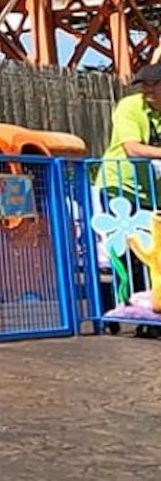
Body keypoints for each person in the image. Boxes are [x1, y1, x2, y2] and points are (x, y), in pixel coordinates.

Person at [97, 63, 161, 309]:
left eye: (155, 84)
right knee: (125, 250)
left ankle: (148, 306)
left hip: (152, 193)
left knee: (152, 254)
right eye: (145, 84)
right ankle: (124, 306)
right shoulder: (130, 107)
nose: (148, 90)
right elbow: (132, 149)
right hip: (119, 187)